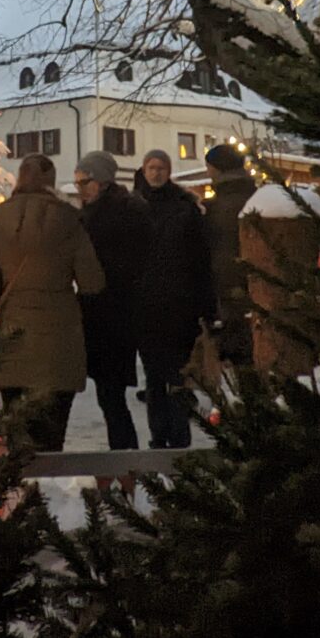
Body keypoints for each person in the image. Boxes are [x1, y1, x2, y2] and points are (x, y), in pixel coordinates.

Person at [0, 154, 106, 451]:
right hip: (59, 343)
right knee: (51, 438)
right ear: (51, 181)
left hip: (12, 343)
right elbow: (92, 282)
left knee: (18, 437)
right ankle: (51, 493)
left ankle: (20, 492)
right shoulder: (69, 219)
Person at [134, 148, 213, 448]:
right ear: (143, 170)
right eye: (151, 167)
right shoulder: (134, 206)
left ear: (168, 171)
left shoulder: (184, 208)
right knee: (154, 377)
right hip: (147, 306)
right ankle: (158, 434)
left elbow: (200, 259)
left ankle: (179, 435)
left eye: (161, 168)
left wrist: (205, 305)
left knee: (178, 375)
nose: (156, 173)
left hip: (180, 305)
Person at [75, 150, 149, 450]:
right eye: (77, 182)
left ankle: (124, 458)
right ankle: (123, 456)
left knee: (112, 396)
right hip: (102, 313)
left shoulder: (121, 213)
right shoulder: (98, 211)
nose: (79, 189)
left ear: (102, 182)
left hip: (114, 315)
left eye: (85, 182)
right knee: (110, 396)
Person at [202, 142, 257, 367]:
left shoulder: (223, 204)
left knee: (239, 349)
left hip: (229, 283)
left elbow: (219, 243)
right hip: (251, 281)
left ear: (215, 168)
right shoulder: (252, 195)